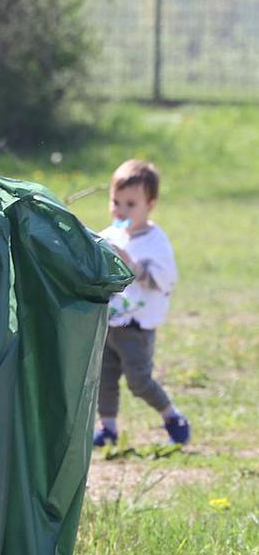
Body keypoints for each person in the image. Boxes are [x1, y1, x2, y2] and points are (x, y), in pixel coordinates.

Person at [93, 159, 189, 447]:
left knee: (139, 381)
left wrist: (132, 266)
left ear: (150, 204)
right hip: (109, 322)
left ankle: (171, 415)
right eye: (116, 201)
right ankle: (108, 428)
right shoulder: (109, 236)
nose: (120, 210)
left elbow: (165, 279)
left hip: (136, 325)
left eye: (130, 204)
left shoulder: (155, 242)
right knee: (103, 378)